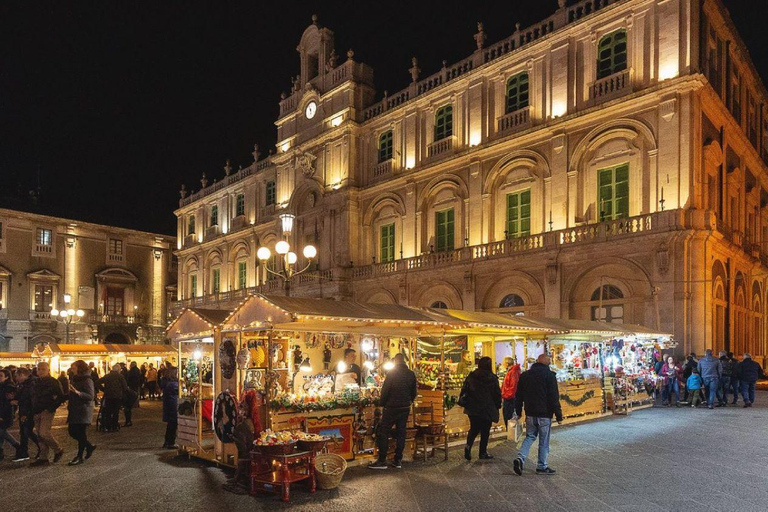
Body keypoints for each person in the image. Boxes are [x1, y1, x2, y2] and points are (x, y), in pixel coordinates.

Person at [513, 353, 562, 476]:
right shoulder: (549, 376)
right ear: (546, 362)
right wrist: (558, 414)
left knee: (530, 436)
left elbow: (519, 396)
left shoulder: (525, 376)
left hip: (530, 412)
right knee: (544, 441)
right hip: (545, 413)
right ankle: (541, 466)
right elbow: (553, 396)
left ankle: (520, 458)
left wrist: (518, 411)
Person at [368, 353, 417, 470]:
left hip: (391, 407)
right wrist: (408, 401)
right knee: (401, 432)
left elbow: (385, 391)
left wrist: (381, 404)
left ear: (395, 362)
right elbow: (414, 392)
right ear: (404, 361)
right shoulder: (411, 374)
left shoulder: (392, 373)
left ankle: (382, 460)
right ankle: (398, 459)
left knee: (383, 431)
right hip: (404, 407)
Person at [461, 356, 501, 461]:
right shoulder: (492, 378)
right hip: (487, 408)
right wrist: (498, 405)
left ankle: (468, 446)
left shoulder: (472, 376)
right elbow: (497, 394)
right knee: (485, 431)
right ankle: (482, 452)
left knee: (473, 428)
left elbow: (465, 390)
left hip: (473, 407)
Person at [31, 361, 65, 466]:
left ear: (48, 370)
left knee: (44, 432)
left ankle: (58, 449)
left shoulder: (53, 381)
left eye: (43, 369)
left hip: (47, 410)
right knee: (39, 436)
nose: (40, 371)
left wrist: (50, 408)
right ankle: (43, 457)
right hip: (36, 410)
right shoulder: (36, 382)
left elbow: (61, 396)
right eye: (39, 369)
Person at [66, 360, 96, 465]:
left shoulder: (87, 380)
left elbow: (90, 396)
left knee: (80, 433)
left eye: (73, 368)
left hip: (83, 409)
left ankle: (79, 456)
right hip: (75, 408)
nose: (72, 370)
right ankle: (89, 447)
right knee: (72, 431)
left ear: (79, 368)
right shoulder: (75, 378)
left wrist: (78, 393)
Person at [11, 367, 38, 462]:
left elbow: (30, 400)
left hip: (28, 411)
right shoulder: (24, 384)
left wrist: (25, 413)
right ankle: (26, 451)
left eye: (17, 376)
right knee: (25, 432)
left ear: (22, 375)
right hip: (24, 410)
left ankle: (25, 452)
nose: (16, 378)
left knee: (26, 432)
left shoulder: (31, 384)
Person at [99, 364, 128, 432]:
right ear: (118, 370)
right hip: (117, 396)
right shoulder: (120, 376)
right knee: (115, 412)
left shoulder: (107, 376)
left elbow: (97, 382)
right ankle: (114, 426)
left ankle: (108, 426)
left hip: (108, 396)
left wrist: (103, 389)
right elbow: (125, 387)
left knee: (108, 411)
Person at [0, 368, 22, 461]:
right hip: (3, 411)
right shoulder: (2, 386)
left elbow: (9, 403)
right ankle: (1, 452)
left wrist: (1, 415)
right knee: (1, 432)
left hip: (6, 413)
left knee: (1, 431)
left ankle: (17, 445)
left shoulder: (9, 388)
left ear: (7, 377)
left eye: (1, 376)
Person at [160, 366, 179, 449]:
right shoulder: (173, 384)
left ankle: (167, 441)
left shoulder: (166, 382)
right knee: (173, 424)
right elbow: (178, 390)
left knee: (170, 424)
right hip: (173, 405)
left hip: (169, 405)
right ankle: (171, 442)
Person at [501, 356, 521, 426]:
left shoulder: (513, 372)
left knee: (508, 416)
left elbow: (513, 386)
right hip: (510, 397)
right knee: (508, 416)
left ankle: (510, 433)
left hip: (510, 398)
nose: (502, 364)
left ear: (507, 363)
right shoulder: (512, 371)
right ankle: (510, 432)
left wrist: (506, 395)